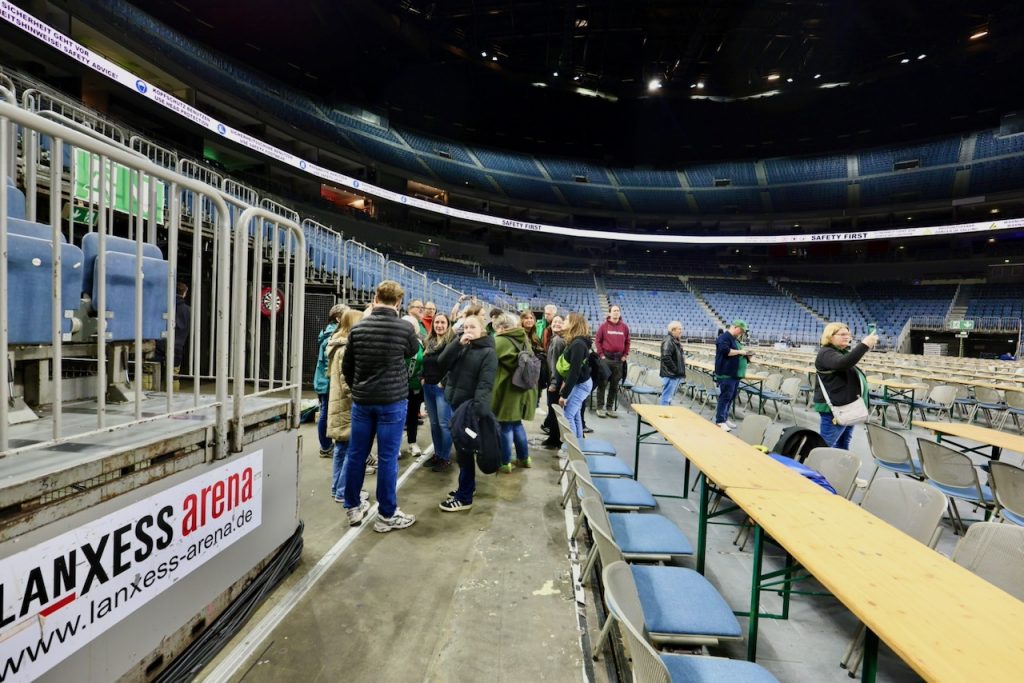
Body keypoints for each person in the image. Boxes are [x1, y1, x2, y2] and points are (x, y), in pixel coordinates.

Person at [341, 280, 420, 532]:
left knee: (356, 455)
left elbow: (347, 367)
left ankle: (353, 507)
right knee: (387, 458)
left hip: (363, 402)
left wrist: (359, 389)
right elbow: (412, 351)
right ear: (398, 302)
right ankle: (386, 515)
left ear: (375, 298)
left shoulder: (358, 328)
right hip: (392, 402)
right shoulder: (405, 328)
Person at [437, 315, 497, 512]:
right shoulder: (462, 346)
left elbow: (485, 385)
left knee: (464, 451)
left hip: (469, 409)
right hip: (455, 404)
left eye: (472, 327)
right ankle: (467, 488)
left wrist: (478, 412)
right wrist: (456, 344)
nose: (468, 330)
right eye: (466, 327)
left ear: (482, 330)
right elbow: (441, 363)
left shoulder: (488, 352)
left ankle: (464, 497)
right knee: (462, 450)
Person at [813, 322, 878, 449]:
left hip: (848, 407)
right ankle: (815, 462)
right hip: (835, 409)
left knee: (843, 443)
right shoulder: (826, 352)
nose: (847, 337)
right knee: (825, 446)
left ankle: (840, 462)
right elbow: (843, 363)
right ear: (830, 336)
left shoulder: (840, 352)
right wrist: (864, 345)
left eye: (848, 334)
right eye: (842, 334)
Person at [326, 309, 366, 502]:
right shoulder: (345, 349)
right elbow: (347, 383)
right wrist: (361, 398)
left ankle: (337, 488)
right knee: (351, 450)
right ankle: (343, 491)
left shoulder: (336, 344)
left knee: (341, 449)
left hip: (338, 403)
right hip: (346, 406)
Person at [491, 312, 538, 472]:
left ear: (501, 327)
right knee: (516, 424)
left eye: (496, 328)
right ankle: (524, 458)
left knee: (505, 425)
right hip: (523, 388)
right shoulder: (523, 338)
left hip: (507, 390)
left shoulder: (499, 341)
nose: (496, 331)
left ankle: (505, 462)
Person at [422, 313, 456, 471]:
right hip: (428, 388)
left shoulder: (451, 343)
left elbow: (455, 367)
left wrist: (444, 382)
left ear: (448, 325)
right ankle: (437, 454)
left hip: (442, 389)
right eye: (437, 322)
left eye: (443, 322)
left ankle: (445, 457)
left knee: (444, 425)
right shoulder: (429, 342)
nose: (439, 325)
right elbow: (425, 363)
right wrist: (422, 377)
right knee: (434, 424)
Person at [314, 303, 348, 456]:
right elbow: (330, 362)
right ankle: (326, 447)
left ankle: (326, 445)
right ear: (338, 318)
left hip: (323, 381)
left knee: (325, 412)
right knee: (326, 413)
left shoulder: (329, 332)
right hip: (327, 382)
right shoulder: (332, 335)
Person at [558, 312, 593, 440]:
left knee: (568, 416)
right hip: (580, 382)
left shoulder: (578, 344)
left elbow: (574, 371)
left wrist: (564, 395)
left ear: (573, 324)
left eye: (566, 319)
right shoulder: (576, 341)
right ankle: (579, 444)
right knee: (576, 415)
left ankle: (572, 448)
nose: (563, 321)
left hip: (581, 384)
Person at [714, 320, 752, 431]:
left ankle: (724, 418)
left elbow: (736, 354)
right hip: (726, 374)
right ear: (736, 327)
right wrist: (740, 352)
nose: (741, 333)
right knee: (725, 397)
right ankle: (720, 421)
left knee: (730, 397)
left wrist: (746, 357)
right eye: (741, 331)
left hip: (735, 374)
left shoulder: (734, 339)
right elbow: (725, 351)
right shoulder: (724, 338)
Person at [595, 305, 631, 417]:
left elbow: (627, 342)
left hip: (619, 361)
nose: (616, 312)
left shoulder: (624, 327)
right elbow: (597, 341)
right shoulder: (603, 326)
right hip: (606, 359)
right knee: (602, 384)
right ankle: (600, 407)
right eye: (614, 311)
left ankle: (609, 408)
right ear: (609, 313)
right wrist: (601, 355)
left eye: (618, 311)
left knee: (614, 386)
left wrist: (625, 355)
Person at [401, 315, 426, 459]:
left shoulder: (421, 342)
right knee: (397, 417)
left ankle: (412, 442)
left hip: (415, 386)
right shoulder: (396, 342)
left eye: (411, 326)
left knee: (412, 416)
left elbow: (424, 361)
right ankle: (396, 446)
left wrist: (422, 377)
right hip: (398, 387)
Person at [540, 315, 566, 448]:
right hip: (556, 380)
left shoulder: (557, 341)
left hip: (556, 381)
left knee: (553, 410)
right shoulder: (556, 338)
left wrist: (554, 383)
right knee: (553, 410)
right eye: (554, 322)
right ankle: (554, 437)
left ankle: (554, 439)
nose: (556, 324)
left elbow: (555, 364)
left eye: (560, 322)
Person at [659, 321, 686, 405]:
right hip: (671, 374)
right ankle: (663, 412)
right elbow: (666, 357)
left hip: (673, 374)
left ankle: (665, 410)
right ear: (673, 330)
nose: (681, 331)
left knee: (669, 397)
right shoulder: (669, 341)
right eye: (679, 329)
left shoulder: (674, 340)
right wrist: (676, 369)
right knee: (666, 397)